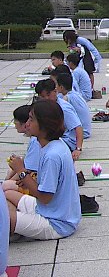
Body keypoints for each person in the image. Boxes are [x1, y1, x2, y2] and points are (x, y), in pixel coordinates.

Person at [5, 100, 81, 240]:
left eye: (31, 119)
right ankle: (14, 226)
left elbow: (45, 197)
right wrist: (26, 179)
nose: (27, 123)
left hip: (56, 223)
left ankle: (12, 225)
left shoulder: (52, 155)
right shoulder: (53, 144)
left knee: (4, 217)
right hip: (48, 210)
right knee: (7, 194)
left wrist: (21, 172)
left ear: (44, 125)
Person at [35, 79, 83, 160]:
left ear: (55, 91)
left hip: (68, 141)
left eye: (48, 95)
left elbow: (78, 127)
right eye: (42, 97)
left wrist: (78, 149)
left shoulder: (64, 108)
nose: (46, 98)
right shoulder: (48, 105)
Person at [54, 73, 92, 141]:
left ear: (61, 87)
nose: (55, 87)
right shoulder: (76, 94)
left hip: (81, 132)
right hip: (86, 130)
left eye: (56, 85)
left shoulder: (66, 98)